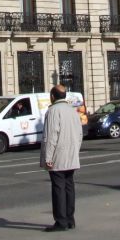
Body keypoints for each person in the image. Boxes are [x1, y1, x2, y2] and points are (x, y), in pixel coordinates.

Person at [40, 84, 83, 232]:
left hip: (58, 156)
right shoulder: (73, 111)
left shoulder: (53, 111)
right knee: (69, 186)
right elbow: (79, 134)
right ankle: (70, 219)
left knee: (58, 188)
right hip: (71, 155)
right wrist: (75, 150)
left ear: (52, 96)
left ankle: (60, 221)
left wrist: (48, 157)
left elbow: (51, 136)